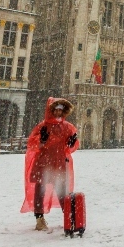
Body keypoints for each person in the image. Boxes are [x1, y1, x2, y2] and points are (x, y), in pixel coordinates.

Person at [21, 97, 80, 232]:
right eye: (56, 110)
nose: (58, 113)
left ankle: (68, 216)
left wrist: (71, 142)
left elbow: (71, 146)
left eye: (61, 110)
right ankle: (39, 218)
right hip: (44, 162)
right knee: (40, 190)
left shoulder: (67, 127)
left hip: (59, 161)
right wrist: (42, 140)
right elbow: (33, 143)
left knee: (62, 190)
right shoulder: (43, 126)